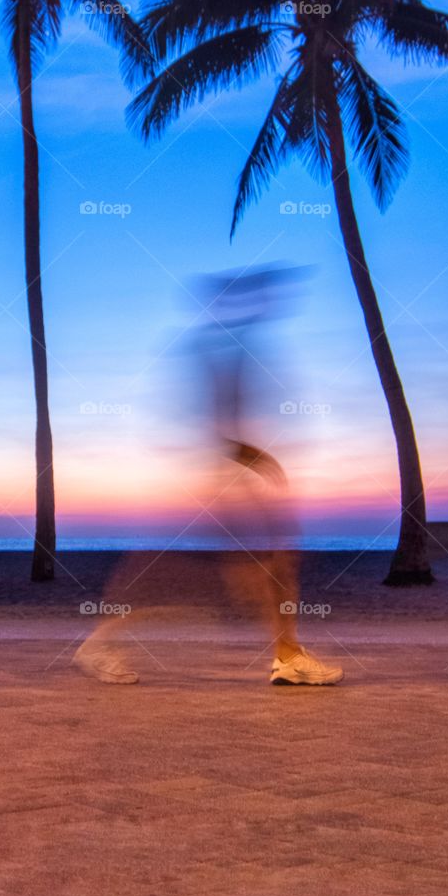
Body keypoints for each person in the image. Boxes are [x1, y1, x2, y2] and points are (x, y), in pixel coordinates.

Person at [74, 266, 343, 687]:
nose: (269, 303)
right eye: (258, 296)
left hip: (228, 474)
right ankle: (99, 642)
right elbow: (215, 421)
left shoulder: (231, 345)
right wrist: (249, 455)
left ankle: (288, 654)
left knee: (269, 565)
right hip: (221, 477)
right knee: (187, 574)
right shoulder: (215, 350)